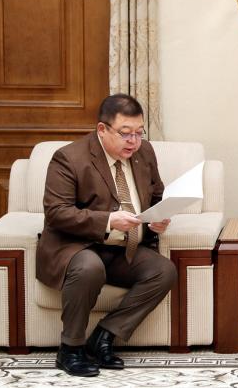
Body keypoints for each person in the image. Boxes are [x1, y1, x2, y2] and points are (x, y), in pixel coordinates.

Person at [36, 94, 177, 377]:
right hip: (77, 247)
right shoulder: (68, 158)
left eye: (139, 132)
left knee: (164, 271)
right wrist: (109, 220)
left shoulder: (145, 152)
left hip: (123, 248)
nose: (133, 141)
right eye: (125, 133)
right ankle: (70, 348)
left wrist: (157, 219)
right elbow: (57, 213)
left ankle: (104, 336)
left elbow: (157, 194)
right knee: (90, 267)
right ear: (102, 129)